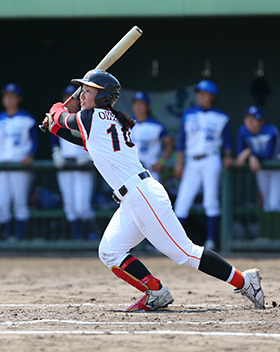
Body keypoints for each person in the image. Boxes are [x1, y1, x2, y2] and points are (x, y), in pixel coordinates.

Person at [42, 69, 264, 312]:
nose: (82, 95)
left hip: (142, 195)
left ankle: (245, 282)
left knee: (185, 253)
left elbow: (64, 117)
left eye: (87, 91)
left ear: (103, 97)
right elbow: (78, 137)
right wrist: (54, 127)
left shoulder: (92, 117)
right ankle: (155, 291)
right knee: (110, 251)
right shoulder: (102, 120)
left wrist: (56, 110)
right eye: (82, 91)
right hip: (132, 199)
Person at [174, 80, 233, 251]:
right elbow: (181, 142)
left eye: (204, 93)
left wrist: (228, 156)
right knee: (182, 202)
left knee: (211, 201)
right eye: (199, 93)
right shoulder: (188, 113)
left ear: (212, 96)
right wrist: (179, 163)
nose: (200, 96)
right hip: (192, 161)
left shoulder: (221, 116)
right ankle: (176, 243)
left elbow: (228, 142)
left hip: (211, 159)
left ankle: (211, 241)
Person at [50, 84, 97, 240]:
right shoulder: (59, 119)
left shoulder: (85, 118)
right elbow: (54, 141)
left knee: (82, 206)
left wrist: (90, 157)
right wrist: (56, 154)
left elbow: (96, 142)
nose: (68, 101)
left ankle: (92, 236)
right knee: (70, 207)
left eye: (71, 98)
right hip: (65, 167)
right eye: (65, 98)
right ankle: (77, 238)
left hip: (82, 167)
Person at [0, 83, 39, 240]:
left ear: (19, 99)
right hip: (2, 165)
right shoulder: (1, 119)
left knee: (19, 202)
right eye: (6, 96)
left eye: (12, 96)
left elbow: (35, 141)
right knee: (2, 204)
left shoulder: (26, 118)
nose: (9, 99)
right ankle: (8, 237)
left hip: (20, 165)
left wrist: (30, 155)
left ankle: (20, 238)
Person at [236, 105, 280, 211]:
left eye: (254, 119)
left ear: (262, 121)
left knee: (275, 204)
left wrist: (250, 152)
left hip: (276, 170)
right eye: (248, 118)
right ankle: (269, 228)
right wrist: (250, 155)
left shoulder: (271, 130)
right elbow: (240, 154)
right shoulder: (242, 131)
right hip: (261, 170)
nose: (250, 122)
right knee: (266, 203)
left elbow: (268, 155)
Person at [131, 91, 173, 181]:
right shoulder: (128, 123)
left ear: (147, 106)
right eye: (136, 103)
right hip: (133, 168)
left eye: (141, 104)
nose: (138, 107)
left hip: (151, 168)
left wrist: (162, 161)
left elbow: (170, 143)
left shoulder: (156, 126)